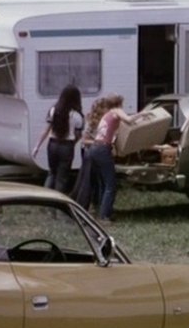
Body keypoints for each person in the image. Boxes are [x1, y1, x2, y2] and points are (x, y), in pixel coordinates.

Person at [88, 94, 152, 223]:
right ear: (119, 103)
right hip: (103, 149)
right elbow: (128, 120)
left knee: (102, 183)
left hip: (94, 148)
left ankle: (101, 210)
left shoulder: (107, 114)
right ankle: (104, 216)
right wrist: (142, 114)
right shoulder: (116, 111)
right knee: (110, 184)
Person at [32, 84, 84, 194]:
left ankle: (43, 199)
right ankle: (57, 203)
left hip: (52, 144)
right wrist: (72, 144)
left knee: (51, 173)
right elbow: (78, 135)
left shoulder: (54, 110)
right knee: (62, 177)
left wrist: (37, 146)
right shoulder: (77, 115)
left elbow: (46, 130)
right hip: (67, 146)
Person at [70, 96, 112, 210]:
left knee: (98, 179)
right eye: (107, 108)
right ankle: (88, 204)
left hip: (97, 151)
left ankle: (96, 203)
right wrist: (98, 142)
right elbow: (84, 140)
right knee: (89, 179)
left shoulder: (106, 121)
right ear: (101, 108)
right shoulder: (92, 122)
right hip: (89, 152)